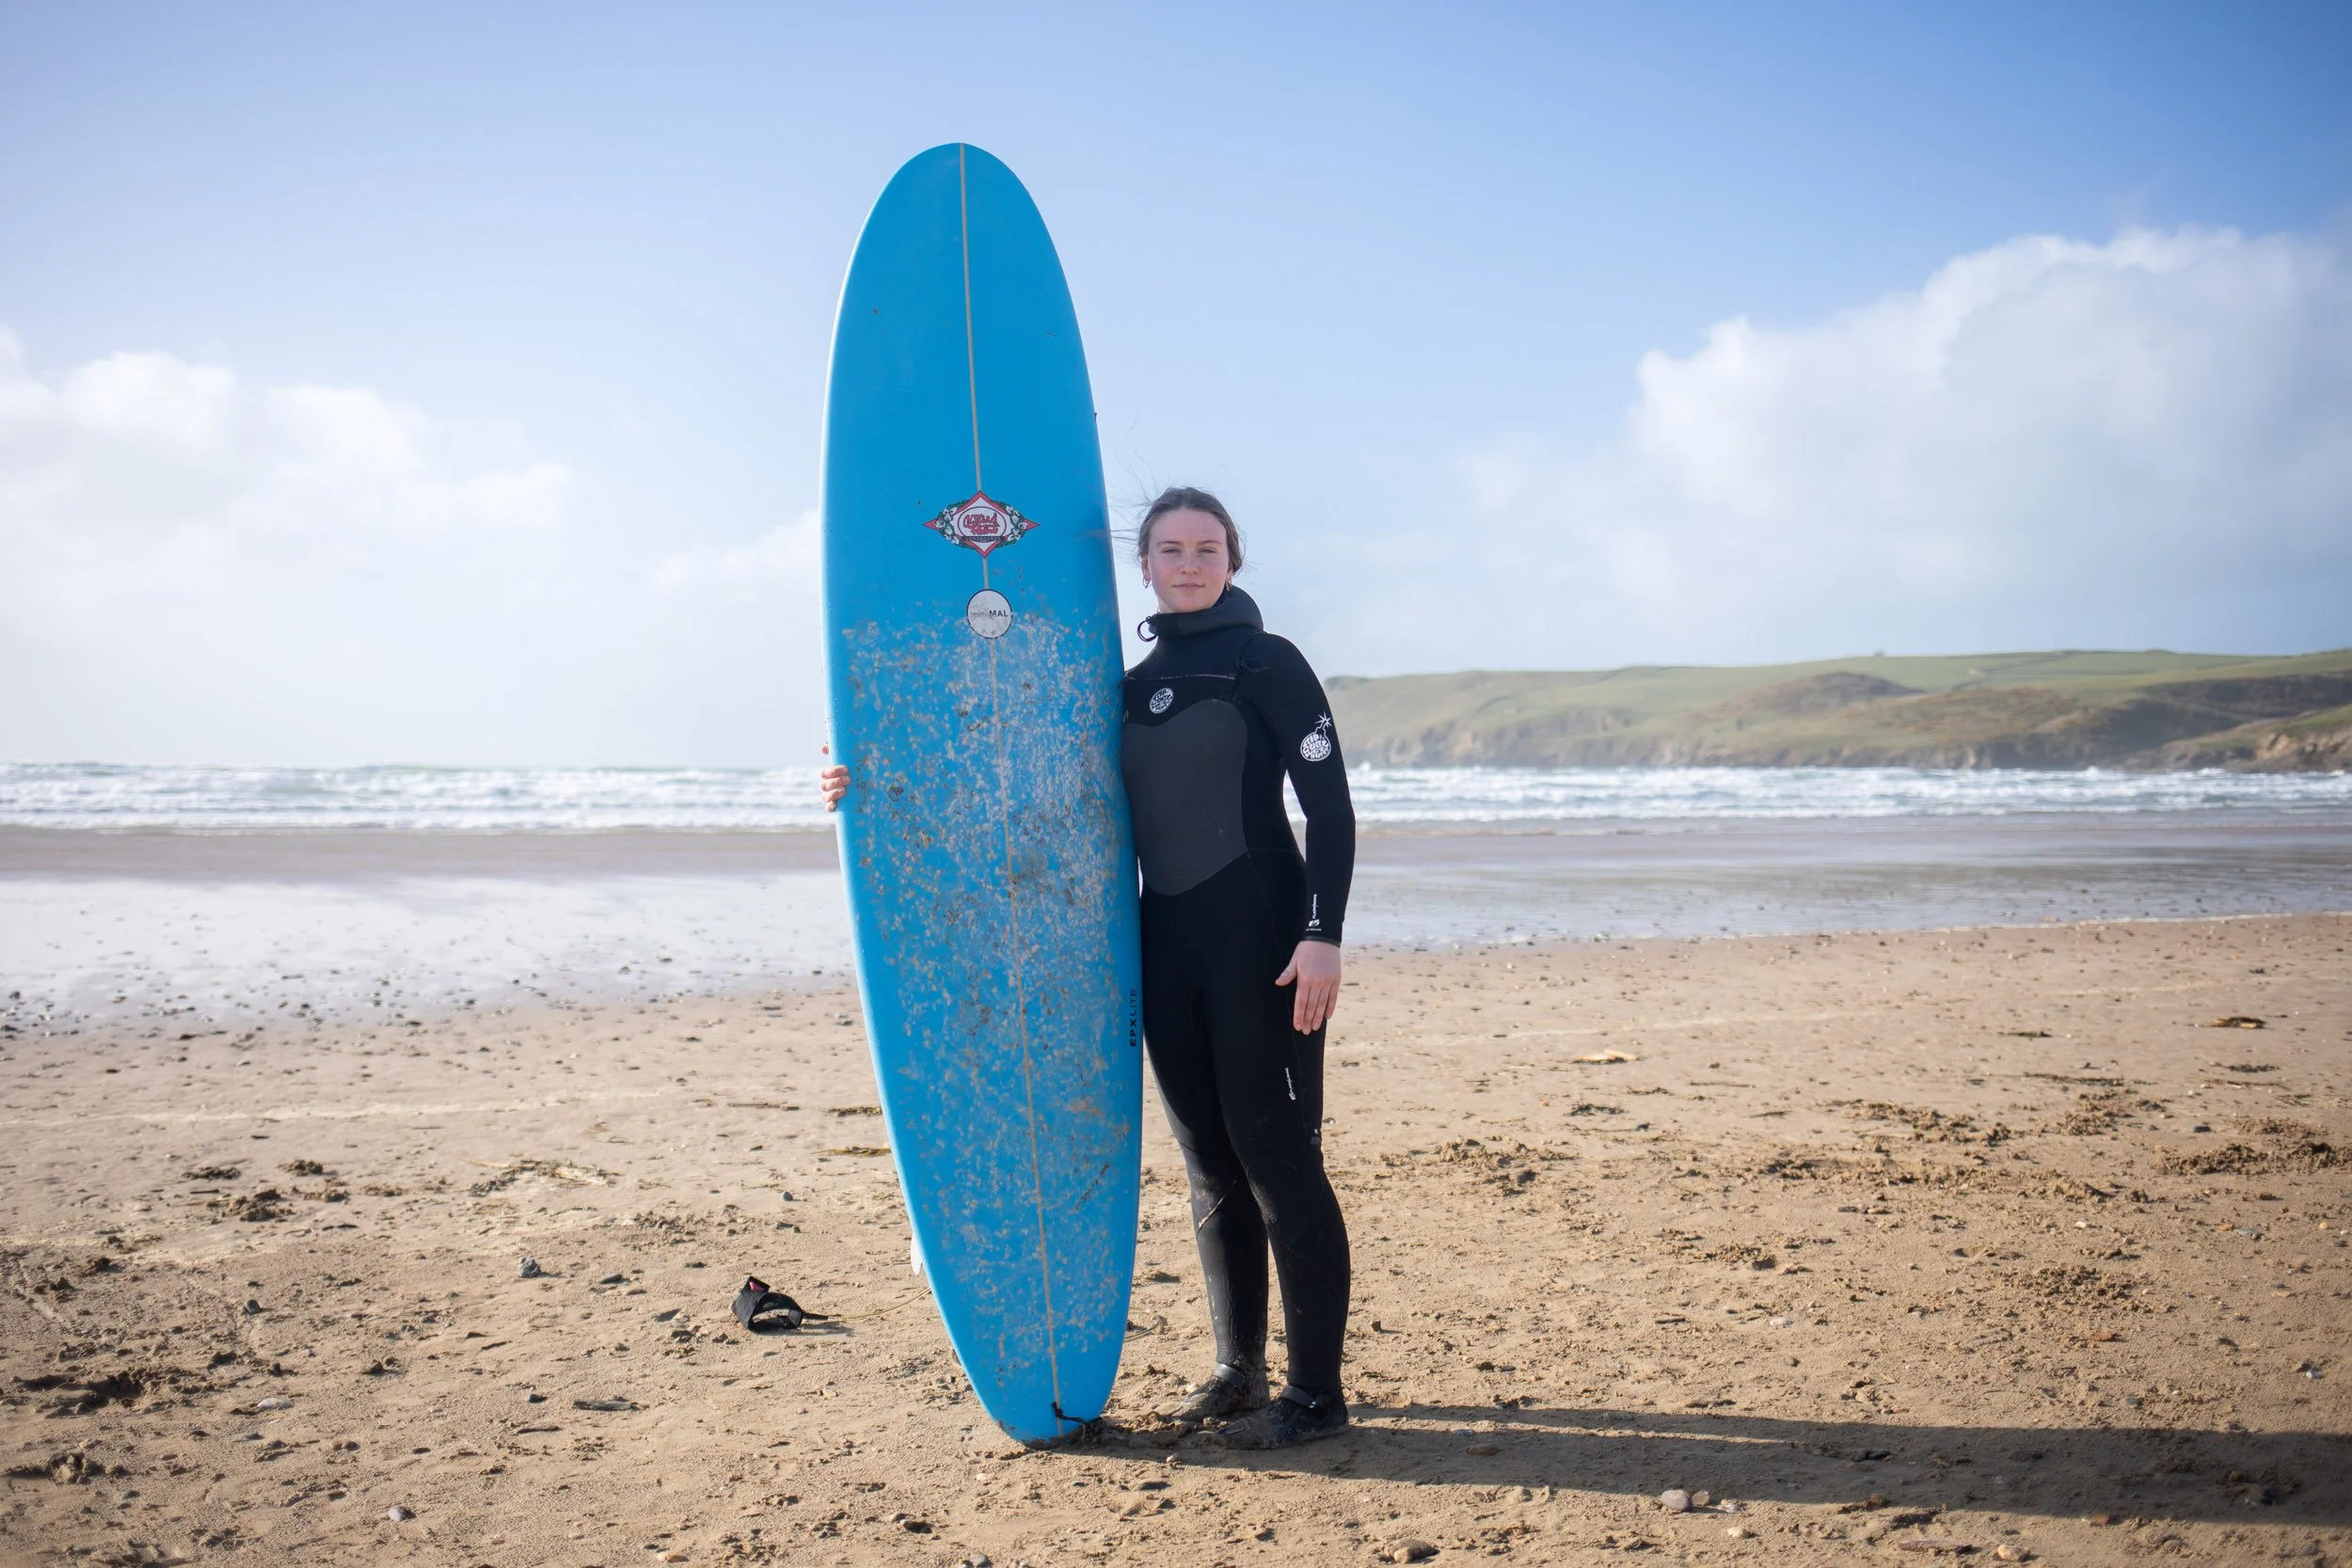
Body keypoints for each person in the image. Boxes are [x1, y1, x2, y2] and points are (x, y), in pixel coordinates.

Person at [820, 486, 1355, 1449]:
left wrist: (1323, 933)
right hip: (1164, 941)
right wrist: (862, 777)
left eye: (1206, 547)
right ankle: (1239, 1368)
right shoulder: (1121, 684)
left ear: (1233, 557)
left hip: (1266, 943)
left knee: (1278, 1157)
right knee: (1208, 1164)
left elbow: (1332, 806)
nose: (1188, 563)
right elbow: (991, 774)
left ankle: (1317, 1395)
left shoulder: (1266, 663)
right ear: (1142, 566)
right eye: (1169, 549)